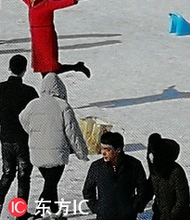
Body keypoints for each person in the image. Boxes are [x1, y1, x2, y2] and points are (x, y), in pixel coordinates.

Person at [19, 74, 88, 219]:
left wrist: (34, 132)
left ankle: (55, 212)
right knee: (50, 185)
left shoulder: (33, 104)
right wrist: (81, 153)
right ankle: (39, 213)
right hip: (58, 152)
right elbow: (72, 132)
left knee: (51, 183)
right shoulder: (63, 106)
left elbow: (23, 118)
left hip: (37, 153)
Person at [82, 131, 152, 220]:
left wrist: (136, 206)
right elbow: (88, 190)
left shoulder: (133, 165)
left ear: (118, 150)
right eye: (102, 148)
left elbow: (143, 188)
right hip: (104, 216)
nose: (103, 152)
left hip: (127, 216)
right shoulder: (96, 167)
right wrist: (97, 208)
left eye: (108, 150)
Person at [0, 54, 38, 211]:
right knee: (23, 177)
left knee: (7, 174)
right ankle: (20, 213)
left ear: (9, 68)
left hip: (5, 138)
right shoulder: (29, 92)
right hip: (23, 139)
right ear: (24, 70)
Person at [146, 133, 190, 220]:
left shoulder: (177, 172)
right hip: (159, 215)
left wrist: (171, 216)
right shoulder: (155, 172)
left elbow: (182, 201)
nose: (151, 160)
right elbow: (148, 190)